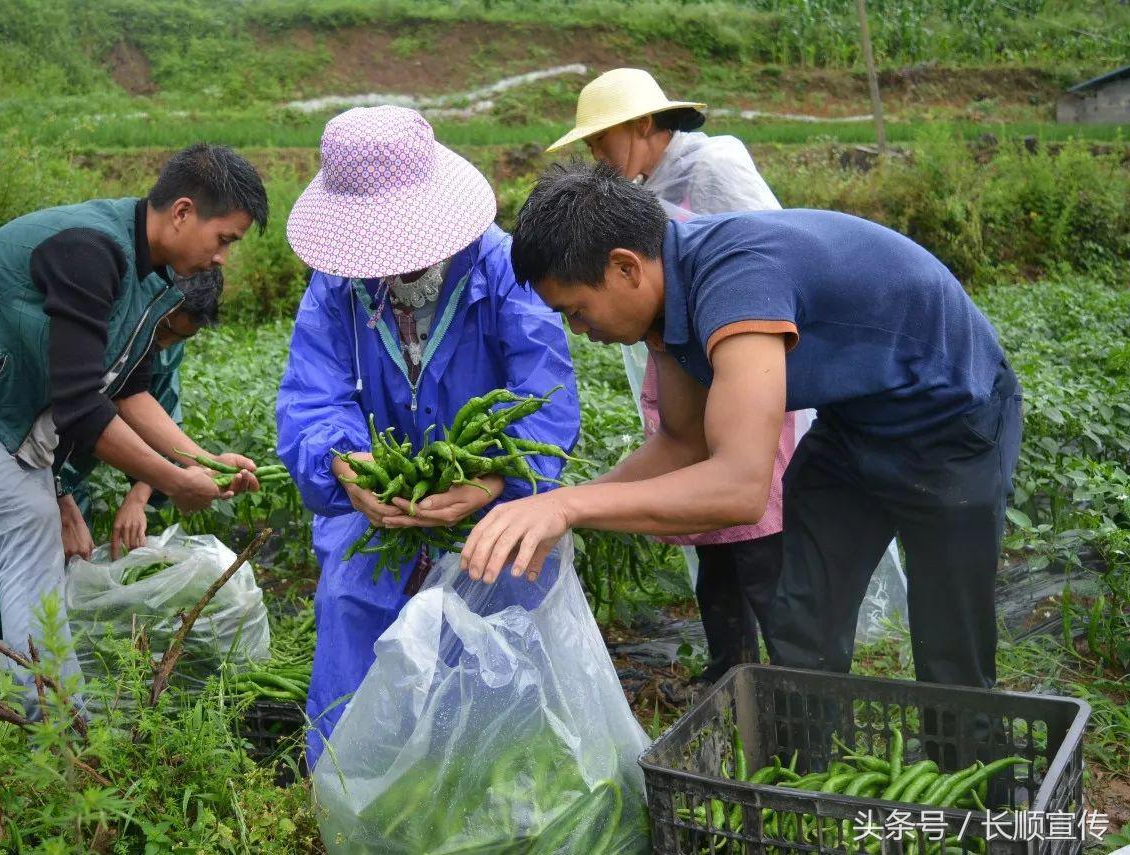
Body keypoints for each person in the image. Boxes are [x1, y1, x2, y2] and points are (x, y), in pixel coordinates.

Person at [458, 162, 1022, 690]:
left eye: (577, 310)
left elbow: (739, 488)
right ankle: (809, 785)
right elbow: (684, 442)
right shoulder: (667, 301)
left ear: (626, 267)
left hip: (953, 422)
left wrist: (566, 507)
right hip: (855, 422)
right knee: (804, 624)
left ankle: (971, 790)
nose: (579, 330)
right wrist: (560, 508)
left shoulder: (735, 283)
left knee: (952, 650)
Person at [0, 144, 268, 708]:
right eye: (225, 239)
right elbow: (80, 406)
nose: (222, 258)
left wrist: (200, 460)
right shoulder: (90, 251)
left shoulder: (152, 279)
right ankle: (55, 718)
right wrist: (172, 483)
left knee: (28, 535)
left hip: (2, 427)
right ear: (182, 212)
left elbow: (129, 392)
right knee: (28, 523)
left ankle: (48, 711)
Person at [277, 106, 580, 768]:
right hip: (381, 505)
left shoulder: (503, 270)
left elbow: (544, 392)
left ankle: (499, 777)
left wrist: (492, 478)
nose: (392, 261)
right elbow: (311, 393)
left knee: (500, 620)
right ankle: (357, 787)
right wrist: (348, 466)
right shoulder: (337, 287)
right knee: (353, 596)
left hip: (495, 500)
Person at [549, 67, 789, 681]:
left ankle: (786, 677)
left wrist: (577, 506)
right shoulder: (642, 186)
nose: (598, 158)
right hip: (688, 366)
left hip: (745, 367)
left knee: (755, 525)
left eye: (602, 142)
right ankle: (729, 666)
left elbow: (770, 259)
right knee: (712, 533)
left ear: (645, 125)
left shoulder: (713, 167)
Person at [58, 267, 225, 560]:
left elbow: (156, 416)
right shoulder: (103, 326)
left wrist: (140, 494)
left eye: (181, 338)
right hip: (28, 463)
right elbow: (59, 413)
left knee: (63, 564)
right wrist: (60, 501)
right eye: (163, 331)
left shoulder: (164, 347)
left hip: (73, 466)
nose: (165, 345)